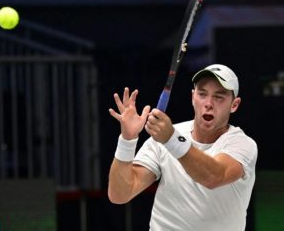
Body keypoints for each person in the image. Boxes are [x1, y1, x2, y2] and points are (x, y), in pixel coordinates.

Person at [108, 64, 258, 231]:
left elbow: (214, 176)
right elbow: (119, 195)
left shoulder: (242, 145)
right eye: (202, 94)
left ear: (234, 104)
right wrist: (127, 140)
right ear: (193, 97)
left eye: (219, 97)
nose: (208, 103)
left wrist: (171, 139)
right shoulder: (163, 139)